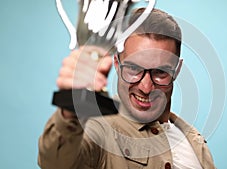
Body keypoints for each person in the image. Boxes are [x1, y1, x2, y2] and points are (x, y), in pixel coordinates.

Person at [38, 8, 216, 169]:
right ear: (117, 63)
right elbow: (56, 163)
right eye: (133, 69)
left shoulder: (195, 142)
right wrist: (71, 107)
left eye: (160, 72)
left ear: (176, 70)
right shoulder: (96, 128)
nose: (146, 88)